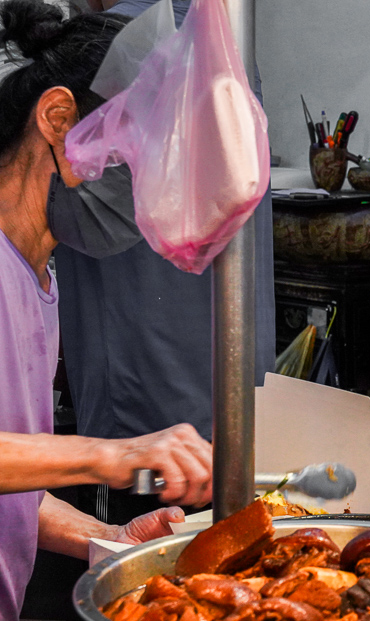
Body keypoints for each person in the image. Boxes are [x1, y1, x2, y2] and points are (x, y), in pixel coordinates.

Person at [0, 0, 213, 621]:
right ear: (58, 121)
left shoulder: (42, 274)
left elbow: (11, 491)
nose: (146, 181)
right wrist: (110, 453)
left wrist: (110, 540)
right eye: (131, 149)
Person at [52, 0, 275, 525]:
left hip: (146, 394)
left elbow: (91, 220)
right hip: (230, 379)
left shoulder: (120, 40)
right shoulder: (220, 29)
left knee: (141, 568)